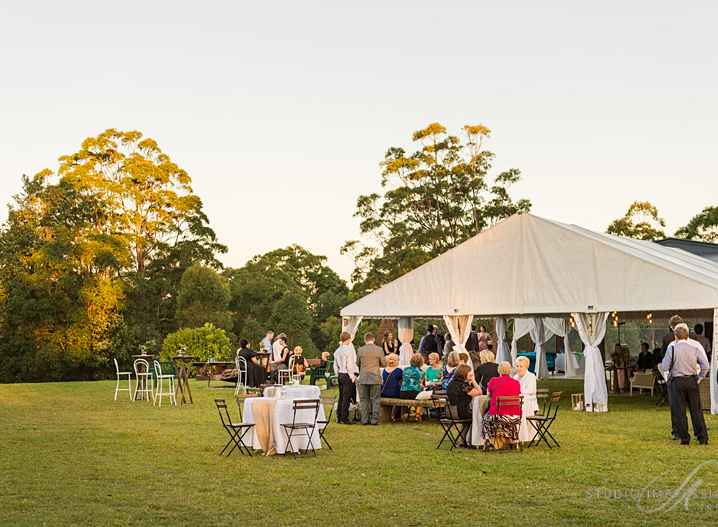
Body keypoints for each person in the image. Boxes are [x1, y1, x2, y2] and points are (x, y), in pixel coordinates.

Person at [661, 323, 710, 445]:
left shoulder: (672, 346)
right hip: (692, 380)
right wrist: (699, 378)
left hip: (677, 381)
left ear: (675, 335)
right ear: (688, 334)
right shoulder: (696, 345)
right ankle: (702, 437)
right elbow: (706, 366)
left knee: (680, 411)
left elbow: (665, 366)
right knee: (696, 410)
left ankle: (684, 438)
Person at [447, 364, 482, 446]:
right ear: (464, 373)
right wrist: (473, 381)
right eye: (470, 374)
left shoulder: (451, 383)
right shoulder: (463, 385)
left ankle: (463, 441)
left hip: (450, 412)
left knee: (468, 420)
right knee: (477, 417)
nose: (471, 375)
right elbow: (479, 392)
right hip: (460, 412)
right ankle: (472, 440)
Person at [356, 333, 386, 425]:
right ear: (373, 339)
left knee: (364, 399)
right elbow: (384, 363)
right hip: (375, 377)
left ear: (365, 340)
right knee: (375, 399)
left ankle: (364, 420)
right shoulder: (379, 349)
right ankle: (374, 420)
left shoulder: (360, 350)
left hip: (363, 377)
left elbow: (357, 363)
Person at [513, 356, 539, 443]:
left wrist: (518, 393)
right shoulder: (515, 377)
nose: (518, 368)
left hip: (530, 404)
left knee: (520, 411)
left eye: (521, 366)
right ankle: (515, 435)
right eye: (517, 366)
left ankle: (524, 436)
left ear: (526, 367)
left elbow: (530, 391)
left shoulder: (531, 376)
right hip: (517, 401)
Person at [334, 332, 357, 424]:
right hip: (347, 374)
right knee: (346, 398)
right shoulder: (348, 351)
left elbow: (335, 365)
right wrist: (352, 376)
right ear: (348, 339)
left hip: (340, 374)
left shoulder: (337, 351)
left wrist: (337, 374)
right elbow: (350, 365)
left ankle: (339, 417)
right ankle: (344, 418)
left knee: (341, 397)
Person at [400, 353, 426, 420]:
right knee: (422, 395)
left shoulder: (405, 370)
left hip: (403, 393)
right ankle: (417, 414)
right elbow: (422, 385)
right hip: (415, 393)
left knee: (406, 395)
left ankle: (404, 413)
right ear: (421, 362)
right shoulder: (422, 372)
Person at [381, 353, 403, 421]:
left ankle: (390, 415)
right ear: (397, 361)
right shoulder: (399, 371)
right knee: (402, 395)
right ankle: (397, 416)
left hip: (384, 393)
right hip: (395, 394)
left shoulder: (384, 370)